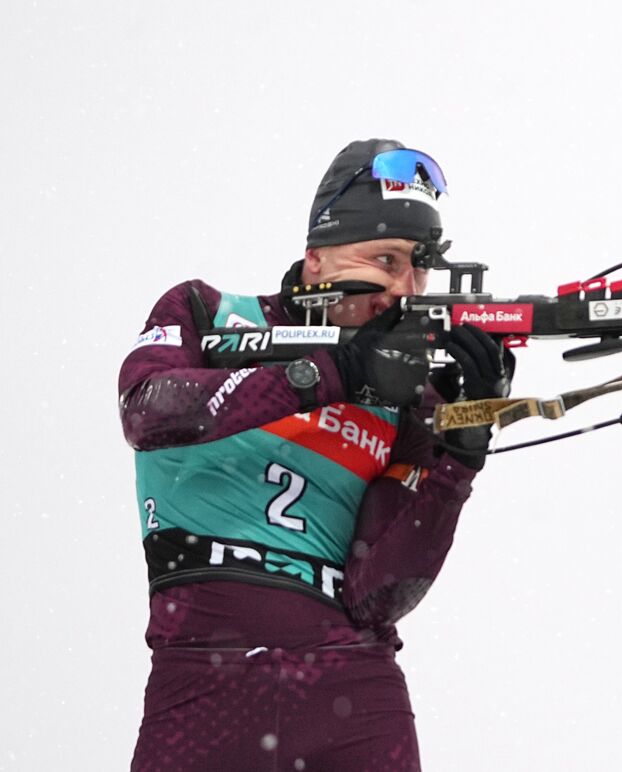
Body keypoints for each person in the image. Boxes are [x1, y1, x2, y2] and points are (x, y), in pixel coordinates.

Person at [119, 139, 508, 771]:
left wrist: (458, 453)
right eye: (385, 259)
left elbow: (378, 594)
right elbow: (146, 410)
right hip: (201, 686)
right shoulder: (209, 312)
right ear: (317, 259)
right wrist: (327, 373)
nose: (405, 289)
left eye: (420, 268)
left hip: (353, 690)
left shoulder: (404, 400)